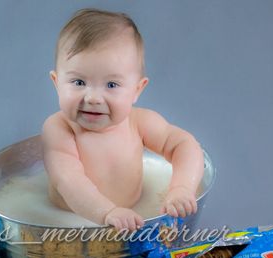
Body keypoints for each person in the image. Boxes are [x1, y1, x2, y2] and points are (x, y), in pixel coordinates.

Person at [42, 8, 204, 231]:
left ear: (137, 89)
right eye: (79, 82)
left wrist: (182, 188)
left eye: (111, 85)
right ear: (56, 82)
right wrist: (106, 212)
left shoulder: (139, 122)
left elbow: (185, 145)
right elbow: (68, 180)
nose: (93, 98)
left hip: (135, 216)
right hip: (70, 225)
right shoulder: (59, 128)